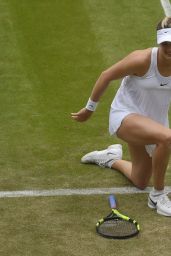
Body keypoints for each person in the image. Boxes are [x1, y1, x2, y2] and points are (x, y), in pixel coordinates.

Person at [71, 17, 171, 216]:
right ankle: (157, 196)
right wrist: (89, 109)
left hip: (153, 121)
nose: (169, 48)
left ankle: (110, 158)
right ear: (158, 41)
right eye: (165, 43)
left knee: (140, 180)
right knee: (167, 137)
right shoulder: (142, 60)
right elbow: (106, 75)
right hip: (126, 115)